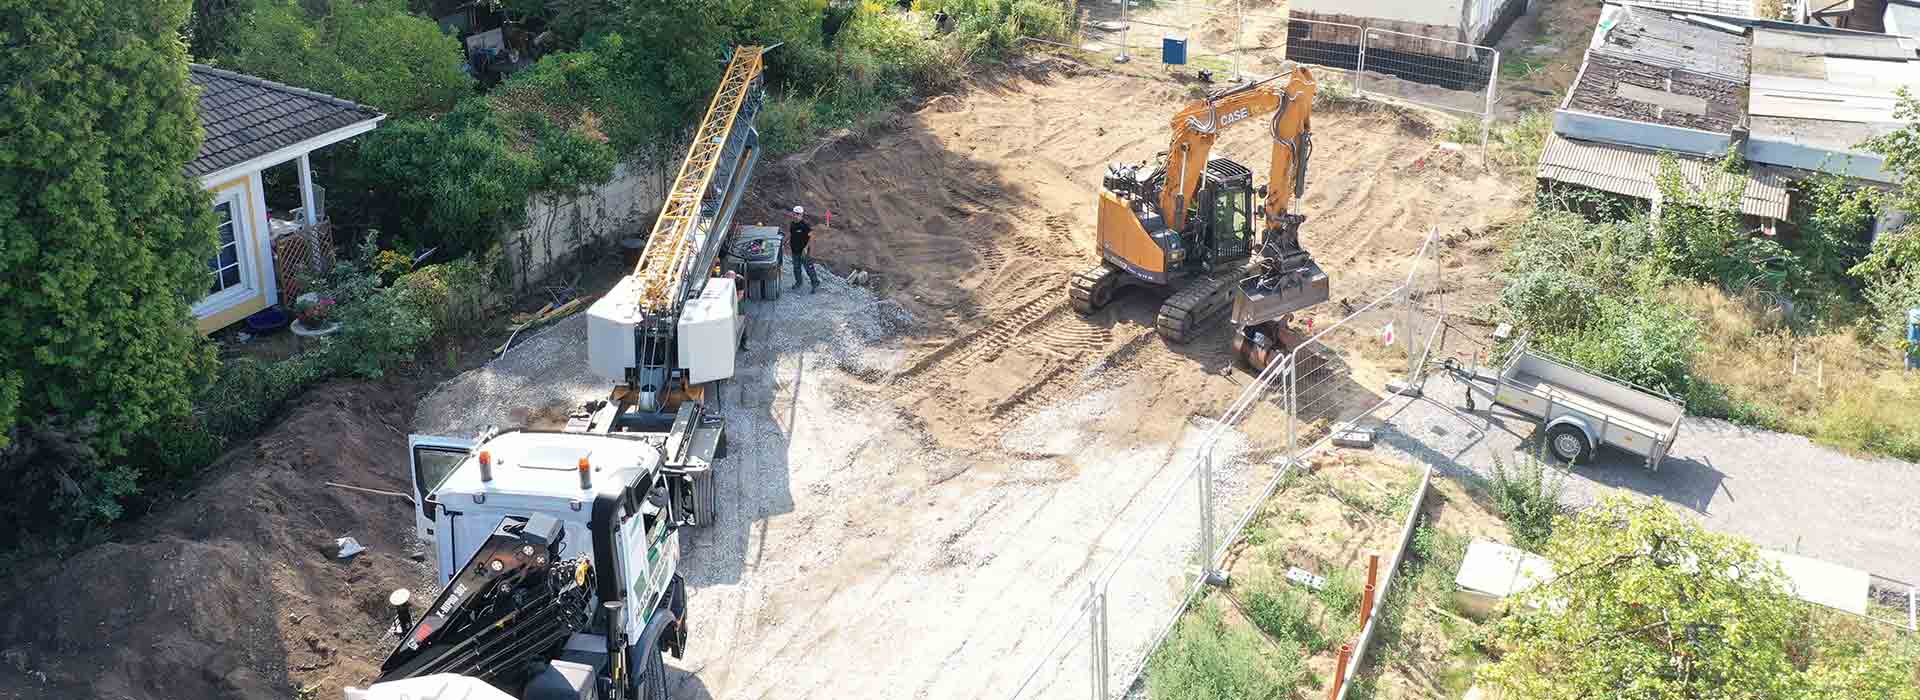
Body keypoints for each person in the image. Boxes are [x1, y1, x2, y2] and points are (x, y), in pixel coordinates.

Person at [787, 205, 819, 293]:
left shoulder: (805, 225)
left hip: (803, 251)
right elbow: (791, 233)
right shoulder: (792, 224)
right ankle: (799, 282)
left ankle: (815, 283)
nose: (795, 216)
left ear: (801, 215)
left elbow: (811, 236)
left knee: (808, 268)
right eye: (794, 214)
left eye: (797, 214)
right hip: (795, 251)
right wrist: (785, 241)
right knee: (796, 268)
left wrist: (806, 248)